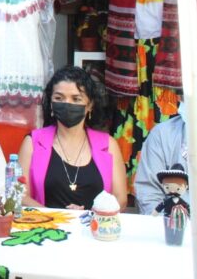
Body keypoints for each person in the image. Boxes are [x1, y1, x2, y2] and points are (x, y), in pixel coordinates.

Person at [105, 0, 197, 190]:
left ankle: (173, 181)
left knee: (168, 114)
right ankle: (129, 184)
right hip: (132, 58)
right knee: (130, 115)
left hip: (166, 57)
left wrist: (191, 34)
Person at [19, 66, 127, 210]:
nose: (67, 104)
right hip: (46, 228)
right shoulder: (33, 142)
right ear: (51, 103)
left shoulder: (108, 145)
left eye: (76, 99)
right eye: (59, 98)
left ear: (90, 105)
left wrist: (90, 215)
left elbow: (121, 198)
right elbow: (19, 195)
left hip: (94, 228)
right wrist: (58, 217)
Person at [135, 72, 197, 219]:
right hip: (172, 228)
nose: (193, 106)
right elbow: (148, 192)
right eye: (188, 99)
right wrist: (169, 227)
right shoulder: (162, 135)